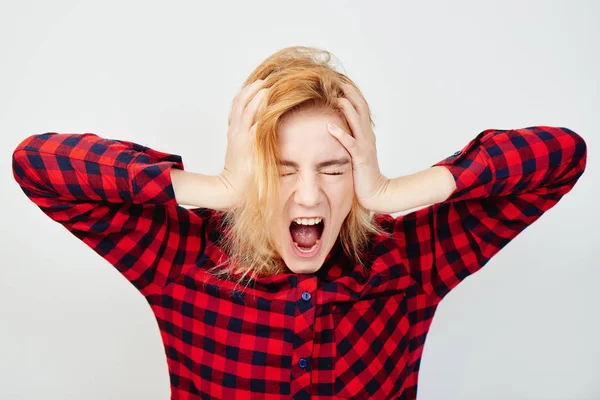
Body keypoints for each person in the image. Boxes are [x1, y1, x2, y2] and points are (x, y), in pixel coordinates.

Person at [12, 46, 587, 400]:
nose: (308, 194)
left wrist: (396, 190)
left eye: (334, 168)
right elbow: (36, 164)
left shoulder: (411, 260)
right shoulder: (182, 257)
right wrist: (218, 188)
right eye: (280, 169)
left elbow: (563, 156)